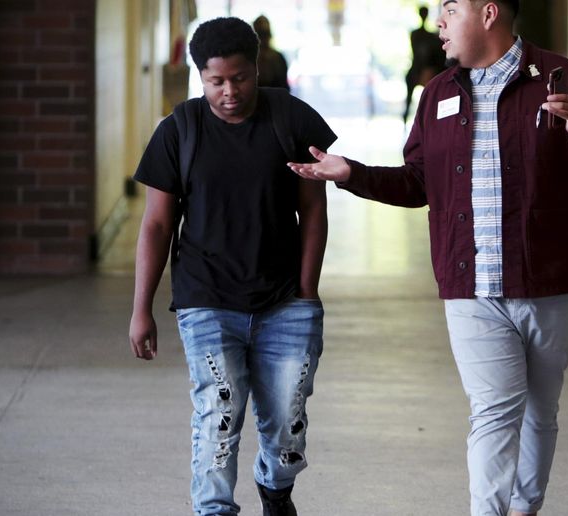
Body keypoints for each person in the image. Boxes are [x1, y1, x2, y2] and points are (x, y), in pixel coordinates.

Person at [288, 1, 568, 515]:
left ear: (488, 13)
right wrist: (351, 173)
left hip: (548, 281)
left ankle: (524, 508)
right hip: (470, 283)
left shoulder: (562, 79)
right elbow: (417, 182)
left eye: (450, 9)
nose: (439, 23)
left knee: (540, 411)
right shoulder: (439, 94)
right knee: (493, 410)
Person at [128, 17, 336, 516]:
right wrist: (141, 309)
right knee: (218, 415)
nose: (228, 92)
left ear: (256, 68)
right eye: (215, 81)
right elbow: (157, 225)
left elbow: (313, 210)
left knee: (287, 426)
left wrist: (307, 292)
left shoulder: (291, 119)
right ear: (200, 76)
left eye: (239, 78)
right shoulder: (180, 130)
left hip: (284, 300)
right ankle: (214, 509)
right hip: (206, 299)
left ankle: (275, 488)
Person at [403, 5, 447, 123]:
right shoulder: (418, 34)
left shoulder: (428, 36)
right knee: (410, 100)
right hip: (418, 69)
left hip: (425, 70)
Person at [253, 14, 290, 90]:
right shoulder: (249, 59)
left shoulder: (278, 58)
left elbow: (284, 88)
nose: (262, 39)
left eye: (264, 34)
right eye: (260, 34)